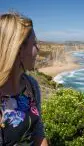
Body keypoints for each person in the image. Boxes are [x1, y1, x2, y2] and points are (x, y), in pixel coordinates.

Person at [0, 12, 48, 145]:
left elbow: (38, 131)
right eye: (34, 44)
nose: (38, 49)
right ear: (18, 49)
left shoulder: (31, 85)